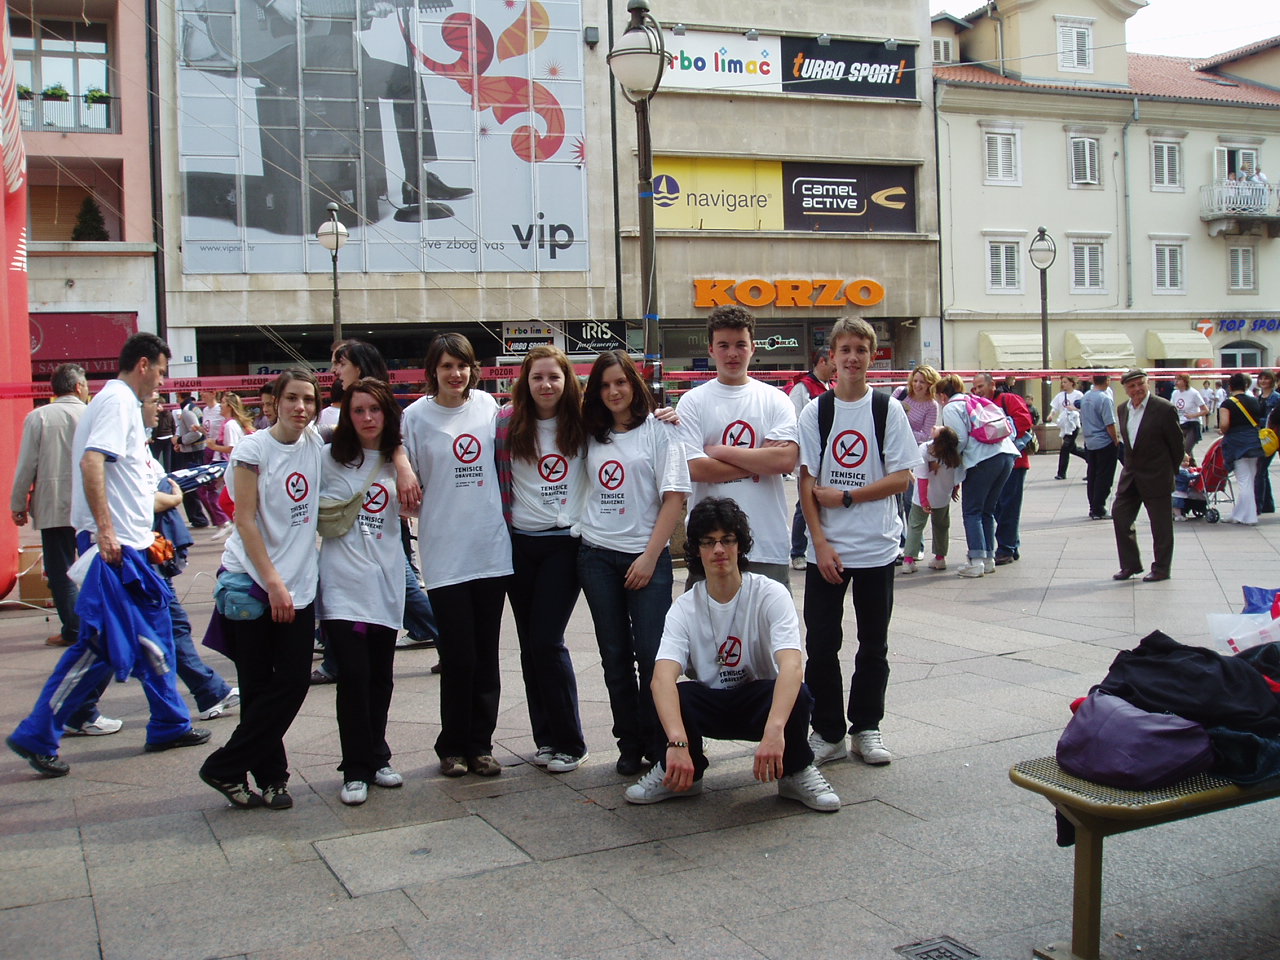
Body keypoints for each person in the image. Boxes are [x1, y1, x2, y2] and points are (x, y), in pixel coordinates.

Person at [7, 334, 211, 778]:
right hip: (115, 548)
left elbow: (123, 481)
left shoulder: (117, 403)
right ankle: (39, 732)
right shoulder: (117, 402)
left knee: (156, 633)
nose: (162, 382)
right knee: (103, 642)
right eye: (161, 372)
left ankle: (170, 722)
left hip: (129, 545)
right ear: (144, 364)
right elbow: (92, 462)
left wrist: (143, 519)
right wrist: (105, 531)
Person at [622, 497, 841, 812]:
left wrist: (775, 731)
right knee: (669, 693)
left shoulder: (770, 594)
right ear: (696, 549)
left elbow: (792, 665)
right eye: (708, 542)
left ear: (740, 545)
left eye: (727, 540)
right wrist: (676, 742)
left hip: (758, 702)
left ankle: (795, 770)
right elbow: (661, 678)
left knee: (798, 692)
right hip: (711, 702)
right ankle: (680, 773)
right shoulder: (685, 607)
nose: (719, 550)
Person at [198, 369, 323, 810]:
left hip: (299, 586)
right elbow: (245, 519)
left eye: (308, 399)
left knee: (291, 682)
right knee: (256, 685)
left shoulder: (315, 444)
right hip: (253, 583)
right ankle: (272, 779)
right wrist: (272, 582)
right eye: (292, 398)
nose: (300, 407)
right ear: (275, 402)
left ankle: (226, 766)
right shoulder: (253, 449)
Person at [798, 317, 919, 766]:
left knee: (873, 644)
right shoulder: (816, 412)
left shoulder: (888, 409)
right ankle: (827, 731)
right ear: (831, 357)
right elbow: (807, 483)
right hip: (827, 549)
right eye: (845, 350)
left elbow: (902, 477)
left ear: (872, 356)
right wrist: (820, 542)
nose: (852, 358)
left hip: (876, 546)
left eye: (861, 350)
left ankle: (866, 727)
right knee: (821, 645)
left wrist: (849, 496)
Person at [403, 333, 512, 778]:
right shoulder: (415, 417)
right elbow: (399, 463)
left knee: (486, 655)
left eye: (462, 365)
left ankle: (480, 744)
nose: (456, 374)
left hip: (490, 548)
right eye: (447, 366)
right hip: (444, 551)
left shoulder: (488, 407)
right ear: (433, 370)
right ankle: (451, 746)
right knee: (458, 655)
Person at [576, 350, 689, 776]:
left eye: (620, 382)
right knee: (614, 655)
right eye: (604, 385)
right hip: (596, 555)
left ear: (634, 384)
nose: (613, 392)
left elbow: (674, 498)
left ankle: (660, 742)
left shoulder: (661, 430)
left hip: (647, 557)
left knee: (654, 654)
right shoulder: (591, 433)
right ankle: (628, 742)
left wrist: (649, 557)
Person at [496, 346, 589, 773]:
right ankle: (546, 739)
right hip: (519, 544)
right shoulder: (506, 423)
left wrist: (667, 415)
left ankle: (571, 741)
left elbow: (632, 424)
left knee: (546, 641)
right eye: (537, 377)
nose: (546, 384)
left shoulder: (585, 422)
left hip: (563, 544)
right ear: (525, 382)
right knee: (530, 647)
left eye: (554, 376)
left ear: (567, 380)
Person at [318, 378, 406, 806]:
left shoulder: (399, 461)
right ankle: (354, 768)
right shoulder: (326, 459)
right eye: (358, 410)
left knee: (381, 677)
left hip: (386, 582)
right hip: (342, 585)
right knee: (353, 677)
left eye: (375, 409)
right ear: (346, 416)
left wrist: (403, 463)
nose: (368, 418)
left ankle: (377, 756)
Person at [676, 306, 798, 588]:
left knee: (770, 618)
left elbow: (785, 461)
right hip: (709, 544)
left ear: (753, 347)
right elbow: (695, 468)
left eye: (740, 344)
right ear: (711, 349)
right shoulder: (692, 402)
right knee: (707, 618)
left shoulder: (776, 399)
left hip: (766, 543)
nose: (732, 353)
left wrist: (718, 451)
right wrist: (760, 459)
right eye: (724, 345)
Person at [141, 392, 241, 722]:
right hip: (137, 555)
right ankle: (198, 699)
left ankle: (207, 693)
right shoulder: (121, 448)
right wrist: (172, 499)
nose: (161, 408)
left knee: (166, 627)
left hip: (150, 551)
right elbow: (140, 500)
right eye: (154, 401)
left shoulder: (138, 445)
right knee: (113, 641)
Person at [10, 363, 91, 649]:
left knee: (61, 570)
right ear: (78, 387)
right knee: (96, 567)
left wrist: (18, 503)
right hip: (92, 504)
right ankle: (102, 623)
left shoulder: (39, 417)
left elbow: (26, 465)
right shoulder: (92, 414)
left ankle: (74, 628)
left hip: (54, 504)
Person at [938, 374, 1017, 578]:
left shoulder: (951, 407)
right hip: (1006, 454)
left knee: (972, 511)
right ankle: (988, 559)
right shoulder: (973, 400)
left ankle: (976, 561)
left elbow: (959, 439)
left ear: (943, 395)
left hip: (982, 459)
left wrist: (952, 465)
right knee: (987, 511)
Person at [1110, 370, 1184, 582]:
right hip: (1131, 476)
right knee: (1120, 516)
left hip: (1157, 475)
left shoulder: (1164, 408)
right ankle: (1130, 565)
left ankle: (1161, 568)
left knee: (1161, 527)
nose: (1137, 390)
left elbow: (1177, 445)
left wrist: (1170, 471)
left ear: (1147, 383)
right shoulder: (1123, 409)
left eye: (1140, 384)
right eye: (1131, 386)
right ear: (1126, 389)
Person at [979, 375, 1034, 565]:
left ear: (992, 385)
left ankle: (1006, 548)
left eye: (981, 386)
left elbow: (1025, 421)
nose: (977, 390)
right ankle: (1011, 546)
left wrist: (999, 433)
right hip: (994, 462)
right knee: (998, 506)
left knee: (1008, 506)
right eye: (975, 387)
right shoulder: (980, 404)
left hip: (1014, 461)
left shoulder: (1008, 399)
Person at [786, 348, 834, 570]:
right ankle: (798, 551)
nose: (836, 367)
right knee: (804, 504)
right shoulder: (802, 388)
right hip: (809, 458)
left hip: (829, 458)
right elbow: (794, 423)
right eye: (832, 362)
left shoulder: (832, 387)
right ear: (822, 361)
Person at [902, 426, 961, 573]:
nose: (935, 426)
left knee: (915, 526)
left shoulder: (925, 449)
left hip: (923, 498)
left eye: (939, 429)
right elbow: (956, 475)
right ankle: (940, 558)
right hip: (943, 496)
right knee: (941, 527)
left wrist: (924, 501)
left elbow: (922, 479)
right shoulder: (953, 452)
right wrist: (955, 489)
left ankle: (908, 560)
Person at [206, 393, 255, 542]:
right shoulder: (230, 423)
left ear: (229, 406)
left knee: (225, 500)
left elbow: (233, 448)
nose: (220, 406)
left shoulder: (230, 425)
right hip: (233, 467)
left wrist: (214, 447)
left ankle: (240, 526)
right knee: (226, 499)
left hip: (235, 468)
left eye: (222, 403)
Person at [1220, 371, 1266, 527]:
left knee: (1244, 481)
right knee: (1250, 480)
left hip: (1237, 444)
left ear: (1230, 386)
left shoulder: (1227, 404)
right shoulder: (1254, 401)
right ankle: (1238, 514)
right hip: (1254, 441)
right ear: (1245, 385)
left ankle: (1250, 517)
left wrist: (1223, 430)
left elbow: (1224, 425)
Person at [1079, 374, 1121, 521]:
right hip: (1104, 441)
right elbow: (1109, 423)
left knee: (1092, 475)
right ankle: (1098, 507)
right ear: (1107, 381)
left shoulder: (1086, 397)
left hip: (1090, 441)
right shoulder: (1104, 398)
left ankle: (1093, 506)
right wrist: (1115, 439)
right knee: (1104, 476)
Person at [172, 392, 209, 527]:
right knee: (195, 485)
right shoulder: (194, 408)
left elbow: (196, 433)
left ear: (179, 396)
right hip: (195, 451)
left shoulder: (188, 410)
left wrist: (180, 440)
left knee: (190, 487)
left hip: (192, 452)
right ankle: (199, 518)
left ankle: (199, 518)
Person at [1049, 376, 1085, 480]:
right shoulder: (1060, 395)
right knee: (1072, 448)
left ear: (1071, 383)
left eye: (1065, 382)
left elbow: (1083, 407)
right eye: (1062, 382)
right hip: (1065, 425)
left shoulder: (1078, 395)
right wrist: (1051, 415)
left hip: (1073, 424)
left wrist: (1074, 408)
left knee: (1065, 447)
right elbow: (1055, 407)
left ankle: (1061, 473)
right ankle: (1089, 457)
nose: (1063, 384)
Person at [1254, 371, 1279, 514]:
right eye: (1261, 378)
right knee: (1262, 470)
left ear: (1272, 381)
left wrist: (1257, 421)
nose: (1263, 381)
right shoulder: (1258, 398)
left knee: (1260, 470)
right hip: (1263, 437)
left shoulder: (1276, 398)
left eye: (1266, 378)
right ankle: (1267, 505)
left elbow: (1271, 418)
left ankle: (1258, 505)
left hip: (1272, 438)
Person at [1170, 374, 1207, 459]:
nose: (1176, 382)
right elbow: (1172, 408)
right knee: (1183, 450)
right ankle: (1192, 466)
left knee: (1185, 451)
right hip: (1180, 425)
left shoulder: (1194, 393)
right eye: (1175, 379)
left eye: (1178, 380)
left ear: (1185, 382)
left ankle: (1185, 465)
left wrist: (1193, 415)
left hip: (1193, 424)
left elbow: (1205, 410)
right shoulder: (1175, 393)